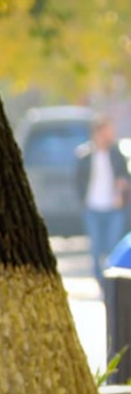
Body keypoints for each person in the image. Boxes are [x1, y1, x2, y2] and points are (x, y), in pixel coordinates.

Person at [75, 116, 131, 287]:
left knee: (112, 247)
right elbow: (78, 181)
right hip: (93, 207)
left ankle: (111, 283)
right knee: (96, 248)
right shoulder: (85, 156)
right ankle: (102, 283)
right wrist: (83, 202)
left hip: (114, 208)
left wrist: (122, 185)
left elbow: (125, 176)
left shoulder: (116, 154)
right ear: (97, 133)